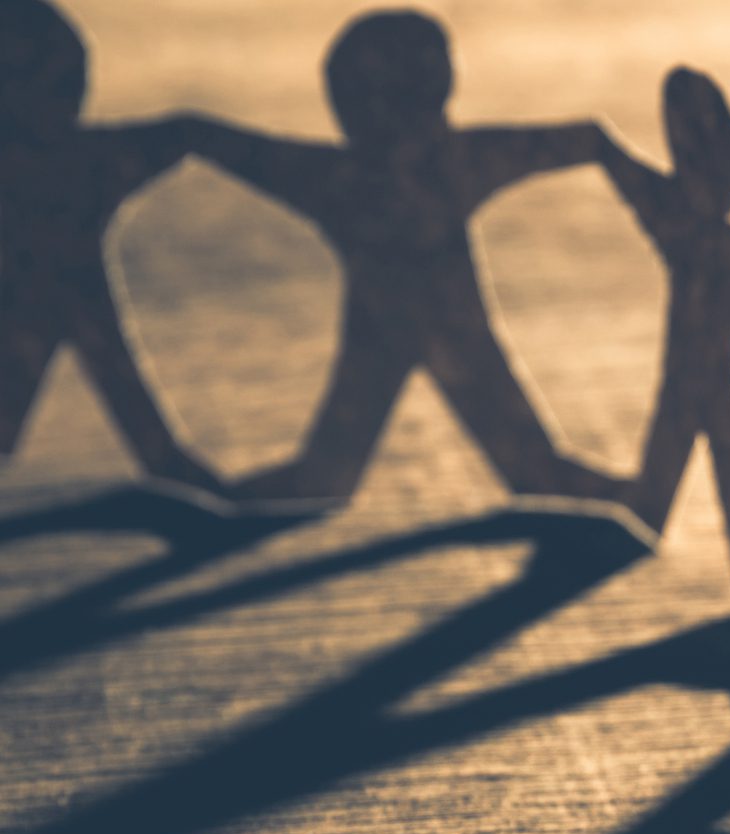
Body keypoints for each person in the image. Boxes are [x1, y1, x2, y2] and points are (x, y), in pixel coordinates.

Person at [185, 9, 633, 519]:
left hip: (398, 327)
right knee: (516, 462)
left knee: (334, 470)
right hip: (427, 328)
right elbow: (588, 140)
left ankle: (244, 504)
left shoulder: (343, 178)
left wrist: (178, 137)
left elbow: (224, 145)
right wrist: (645, 187)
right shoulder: (446, 164)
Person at [598, 67, 730, 619]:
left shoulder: (676, 217)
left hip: (692, 370)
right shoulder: (728, 242)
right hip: (696, 371)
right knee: (715, 477)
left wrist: (595, 142)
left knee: (694, 475)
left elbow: (610, 156)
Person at [0, 0, 213, 492]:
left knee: (40, 381)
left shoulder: (64, 160)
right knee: (109, 380)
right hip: (65, 288)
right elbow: (184, 134)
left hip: (46, 287)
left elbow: (181, 134)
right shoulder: (88, 159)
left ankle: (168, 468)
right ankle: (169, 469)